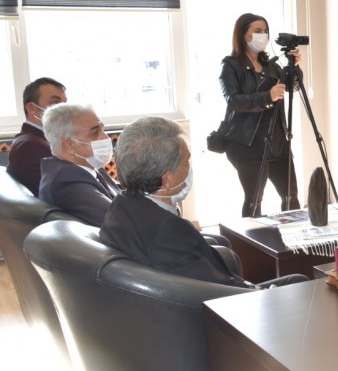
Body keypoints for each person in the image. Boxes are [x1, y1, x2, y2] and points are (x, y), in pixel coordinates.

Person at [100, 116, 306, 288]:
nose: (189, 167)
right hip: (216, 311)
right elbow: (216, 290)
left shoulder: (121, 205)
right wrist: (258, 291)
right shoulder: (169, 231)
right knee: (299, 280)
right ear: (167, 179)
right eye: (186, 161)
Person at [219, 13, 302, 217]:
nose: (263, 35)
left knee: (291, 195)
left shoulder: (270, 65)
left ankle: (293, 233)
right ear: (243, 34)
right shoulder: (230, 65)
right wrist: (267, 96)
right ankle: (250, 236)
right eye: (257, 31)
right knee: (254, 200)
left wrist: (294, 68)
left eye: (265, 31)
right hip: (248, 143)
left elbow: (293, 87)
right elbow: (233, 101)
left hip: (278, 140)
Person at [38, 103, 118, 227]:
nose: (105, 137)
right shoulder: (66, 182)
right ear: (69, 145)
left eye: (103, 129)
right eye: (95, 132)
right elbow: (119, 221)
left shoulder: (88, 166)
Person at [7, 77, 67, 196]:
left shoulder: (44, 139)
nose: (65, 110)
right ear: (32, 108)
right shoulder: (29, 146)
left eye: (65, 104)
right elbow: (63, 193)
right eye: (56, 103)